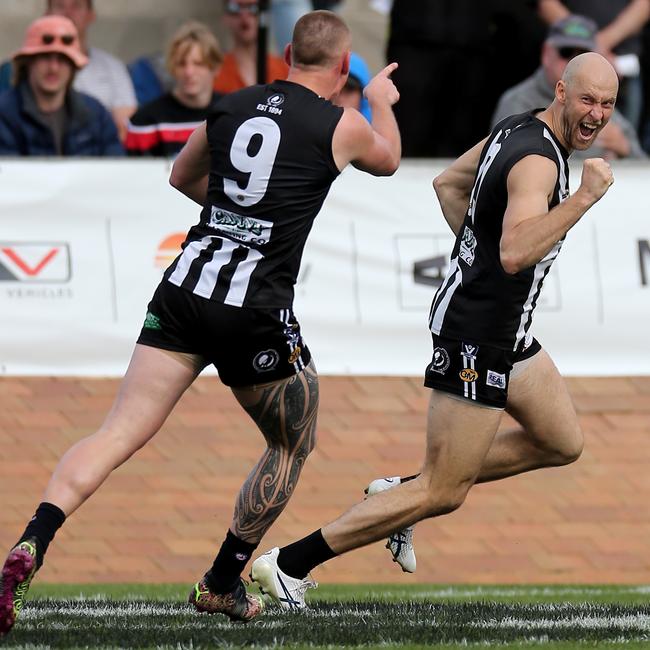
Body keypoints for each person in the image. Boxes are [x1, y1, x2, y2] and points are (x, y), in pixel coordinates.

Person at [0, 9, 400, 636]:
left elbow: (181, 176)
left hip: (187, 286)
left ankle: (31, 542)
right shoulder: (344, 123)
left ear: (289, 52)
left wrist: (235, 209)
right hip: (254, 309)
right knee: (291, 441)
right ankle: (220, 582)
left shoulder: (232, 103)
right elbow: (391, 160)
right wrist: (379, 100)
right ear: (343, 65)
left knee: (118, 432)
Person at [250, 51, 617, 609]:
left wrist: (476, 264)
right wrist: (584, 199)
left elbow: (449, 184)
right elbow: (516, 251)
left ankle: (402, 489)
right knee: (444, 491)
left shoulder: (515, 127)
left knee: (561, 440)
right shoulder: (541, 162)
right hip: (479, 334)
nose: (597, 115)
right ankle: (290, 563)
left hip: (505, 330)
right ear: (561, 91)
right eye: (588, 100)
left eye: (609, 105)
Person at [491, 15, 646, 160]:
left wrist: (625, 148)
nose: (574, 61)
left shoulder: (599, 101)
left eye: (583, 54)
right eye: (566, 52)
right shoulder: (517, 102)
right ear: (546, 53)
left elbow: (643, 169)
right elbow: (501, 166)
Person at [0, 15, 123, 156]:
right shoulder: (4, 114)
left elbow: (116, 171)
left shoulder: (97, 115)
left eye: (63, 59)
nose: (54, 68)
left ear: (73, 66)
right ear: (28, 62)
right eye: (45, 57)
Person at [537, 0, 650, 131]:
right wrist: (585, 41)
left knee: (621, 138)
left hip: (623, 66)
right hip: (572, 61)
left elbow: (644, 4)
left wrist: (596, 45)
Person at [126, 22, 223, 158]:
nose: (189, 72)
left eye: (198, 64)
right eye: (181, 64)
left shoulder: (230, 114)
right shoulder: (145, 122)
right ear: (171, 67)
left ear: (215, 67)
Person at [214, 0, 289, 93]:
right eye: (235, 8)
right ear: (225, 17)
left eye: (254, 8)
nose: (244, 15)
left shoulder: (284, 69)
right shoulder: (215, 71)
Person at [333, 51, 372, 122]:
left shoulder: (375, 130)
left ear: (363, 97)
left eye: (348, 91)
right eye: (334, 88)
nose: (340, 99)